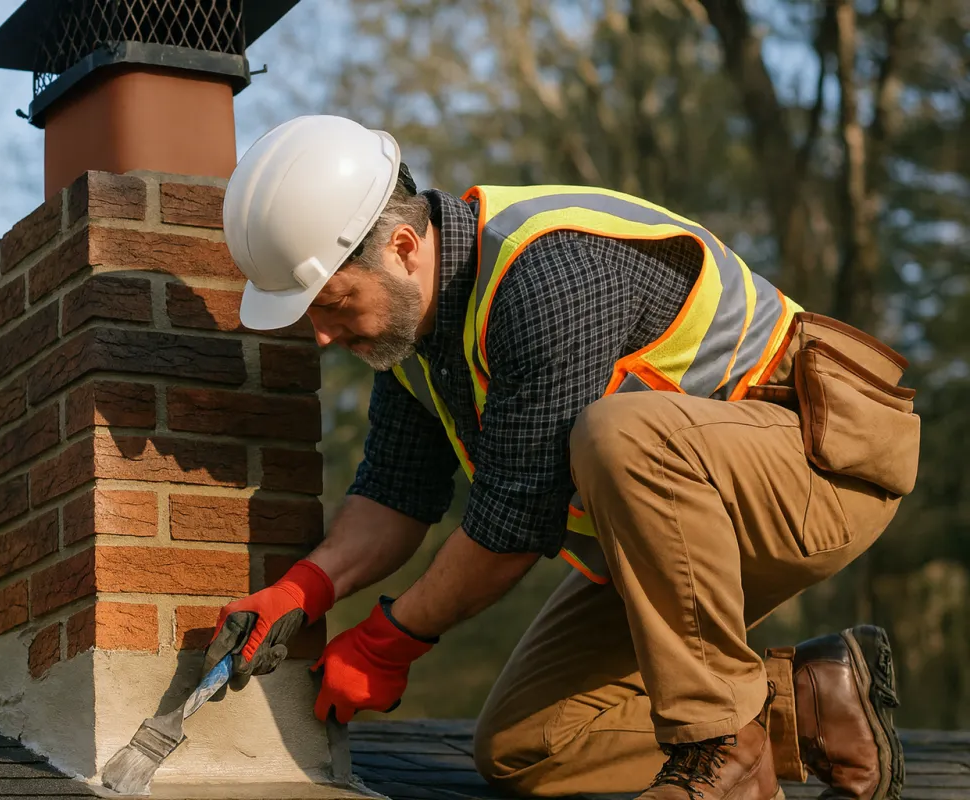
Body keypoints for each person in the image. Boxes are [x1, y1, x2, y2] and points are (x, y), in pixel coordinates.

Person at [204, 115, 918, 800]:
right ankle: (815, 705)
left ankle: (723, 754)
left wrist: (391, 638)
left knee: (619, 435)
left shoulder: (546, 274)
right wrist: (306, 587)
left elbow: (514, 521)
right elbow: (396, 493)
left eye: (333, 305)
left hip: (819, 471)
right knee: (532, 746)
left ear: (400, 246)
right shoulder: (410, 344)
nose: (323, 338)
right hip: (675, 534)